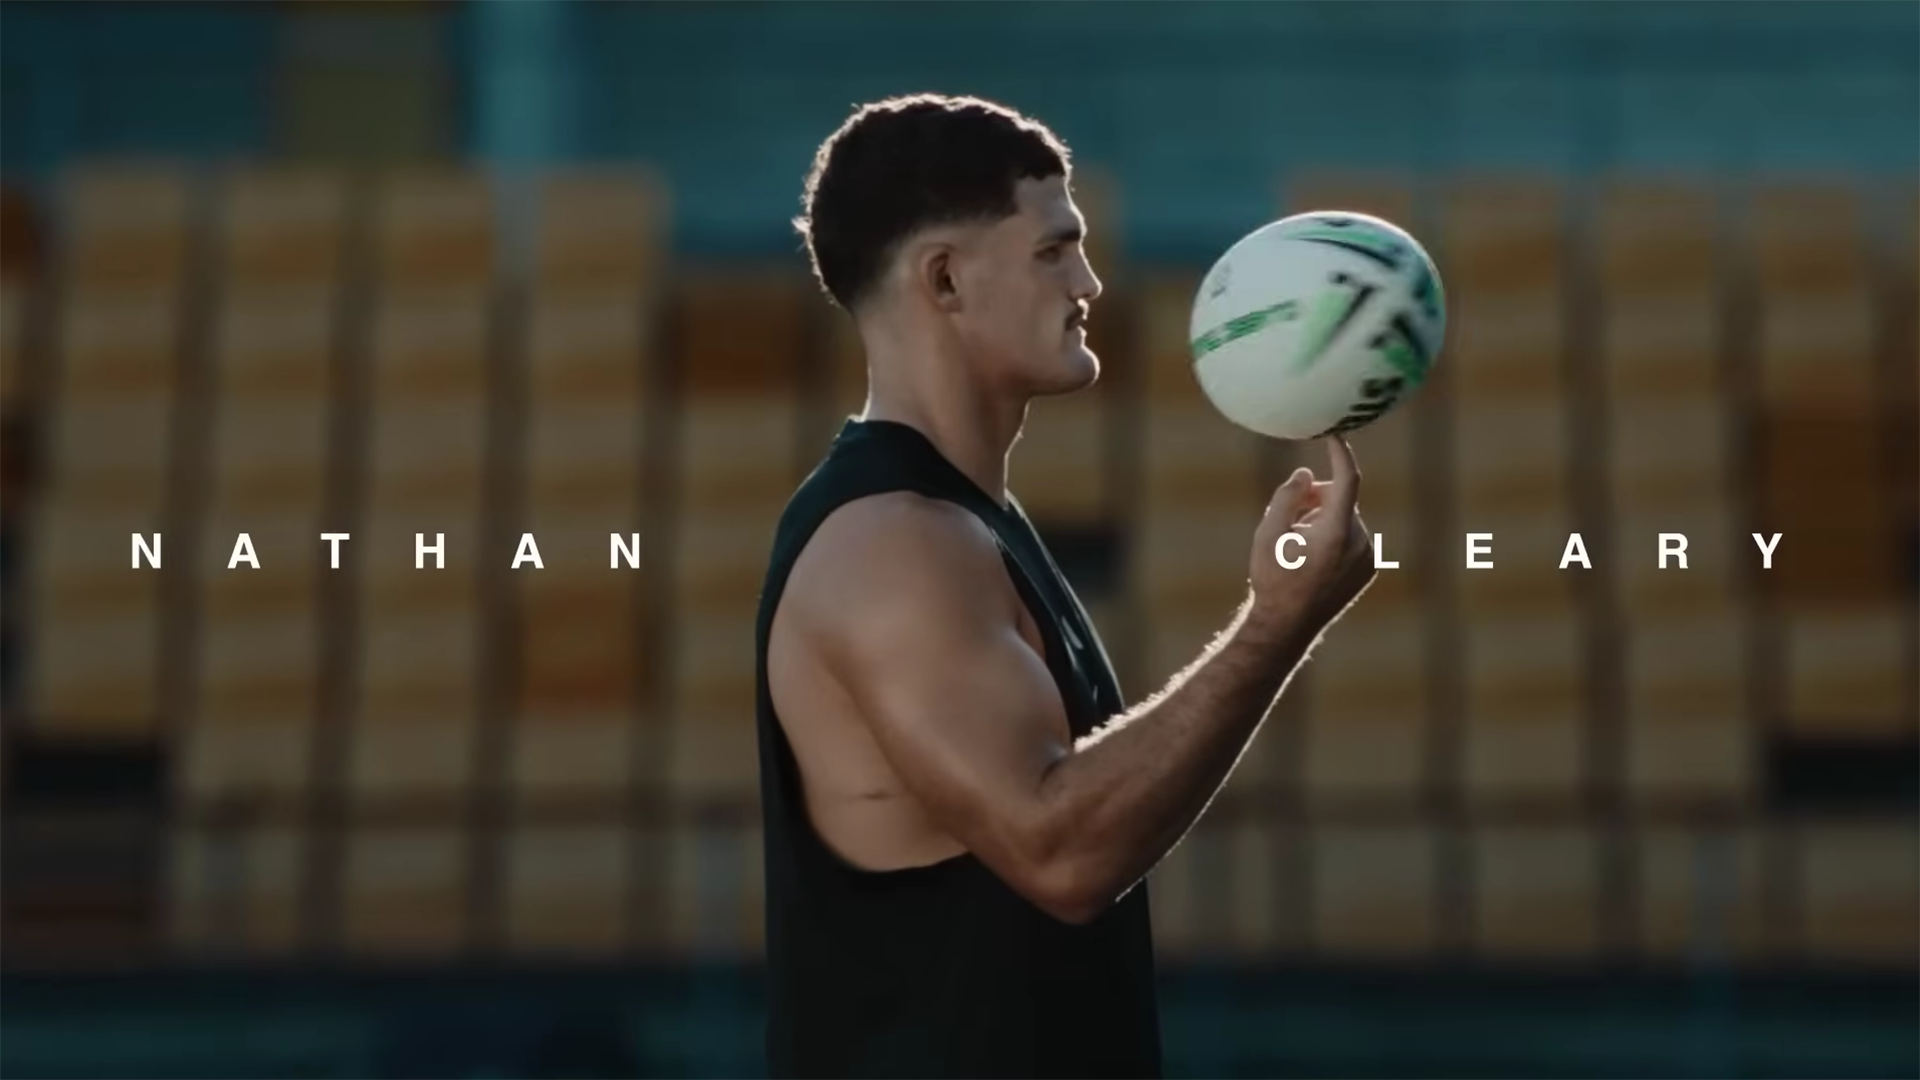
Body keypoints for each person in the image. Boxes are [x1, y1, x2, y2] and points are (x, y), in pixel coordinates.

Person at [753, 92, 1378, 1079]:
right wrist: (1274, 627)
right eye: (1055, 249)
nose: (1090, 280)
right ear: (946, 278)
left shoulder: (966, 525)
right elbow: (1062, 856)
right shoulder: (894, 543)